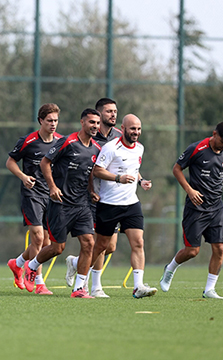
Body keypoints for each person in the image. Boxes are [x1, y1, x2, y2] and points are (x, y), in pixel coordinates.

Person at [160, 121, 223, 299]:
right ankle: (170, 269)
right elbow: (176, 169)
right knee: (192, 251)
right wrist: (189, 190)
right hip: (196, 208)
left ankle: (209, 290)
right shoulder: (196, 149)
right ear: (214, 134)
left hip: (216, 207)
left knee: (220, 248)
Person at [23, 108, 101, 298]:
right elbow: (45, 162)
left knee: (89, 243)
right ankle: (31, 266)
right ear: (82, 123)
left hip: (82, 204)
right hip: (61, 203)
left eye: (98, 123)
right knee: (58, 248)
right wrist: (52, 187)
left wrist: (91, 191)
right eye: (92, 122)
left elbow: (90, 171)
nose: (95, 127)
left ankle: (79, 288)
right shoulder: (67, 141)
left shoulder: (96, 148)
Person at [90, 114, 157, 299]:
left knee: (138, 243)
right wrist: (118, 178)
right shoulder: (111, 147)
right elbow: (97, 170)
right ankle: (87, 281)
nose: (136, 132)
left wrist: (141, 181)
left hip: (131, 203)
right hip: (109, 203)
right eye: (132, 129)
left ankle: (138, 287)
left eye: (138, 129)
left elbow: (134, 170)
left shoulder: (140, 148)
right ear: (123, 128)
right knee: (102, 246)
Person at [65, 98, 122, 297]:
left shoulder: (119, 137)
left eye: (115, 111)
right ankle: (95, 286)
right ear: (99, 114)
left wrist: (140, 180)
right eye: (108, 111)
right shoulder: (90, 137)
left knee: (110, 246)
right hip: (93, 197)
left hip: (113, 196)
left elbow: (128, 162)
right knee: (98, 243)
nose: (113, 115)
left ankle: (75, 262)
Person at [6, 103, 62, 295]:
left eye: (55, 120)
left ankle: (18, 263)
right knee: (37, 236)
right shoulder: (28, 141)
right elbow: (10, 161)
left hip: (53, 195)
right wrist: (23, 176)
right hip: (32, 194)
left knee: (46, 243)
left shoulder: (61, 141)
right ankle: (39, 282)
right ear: (41, 121)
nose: (53, 124)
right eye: (49, 121)